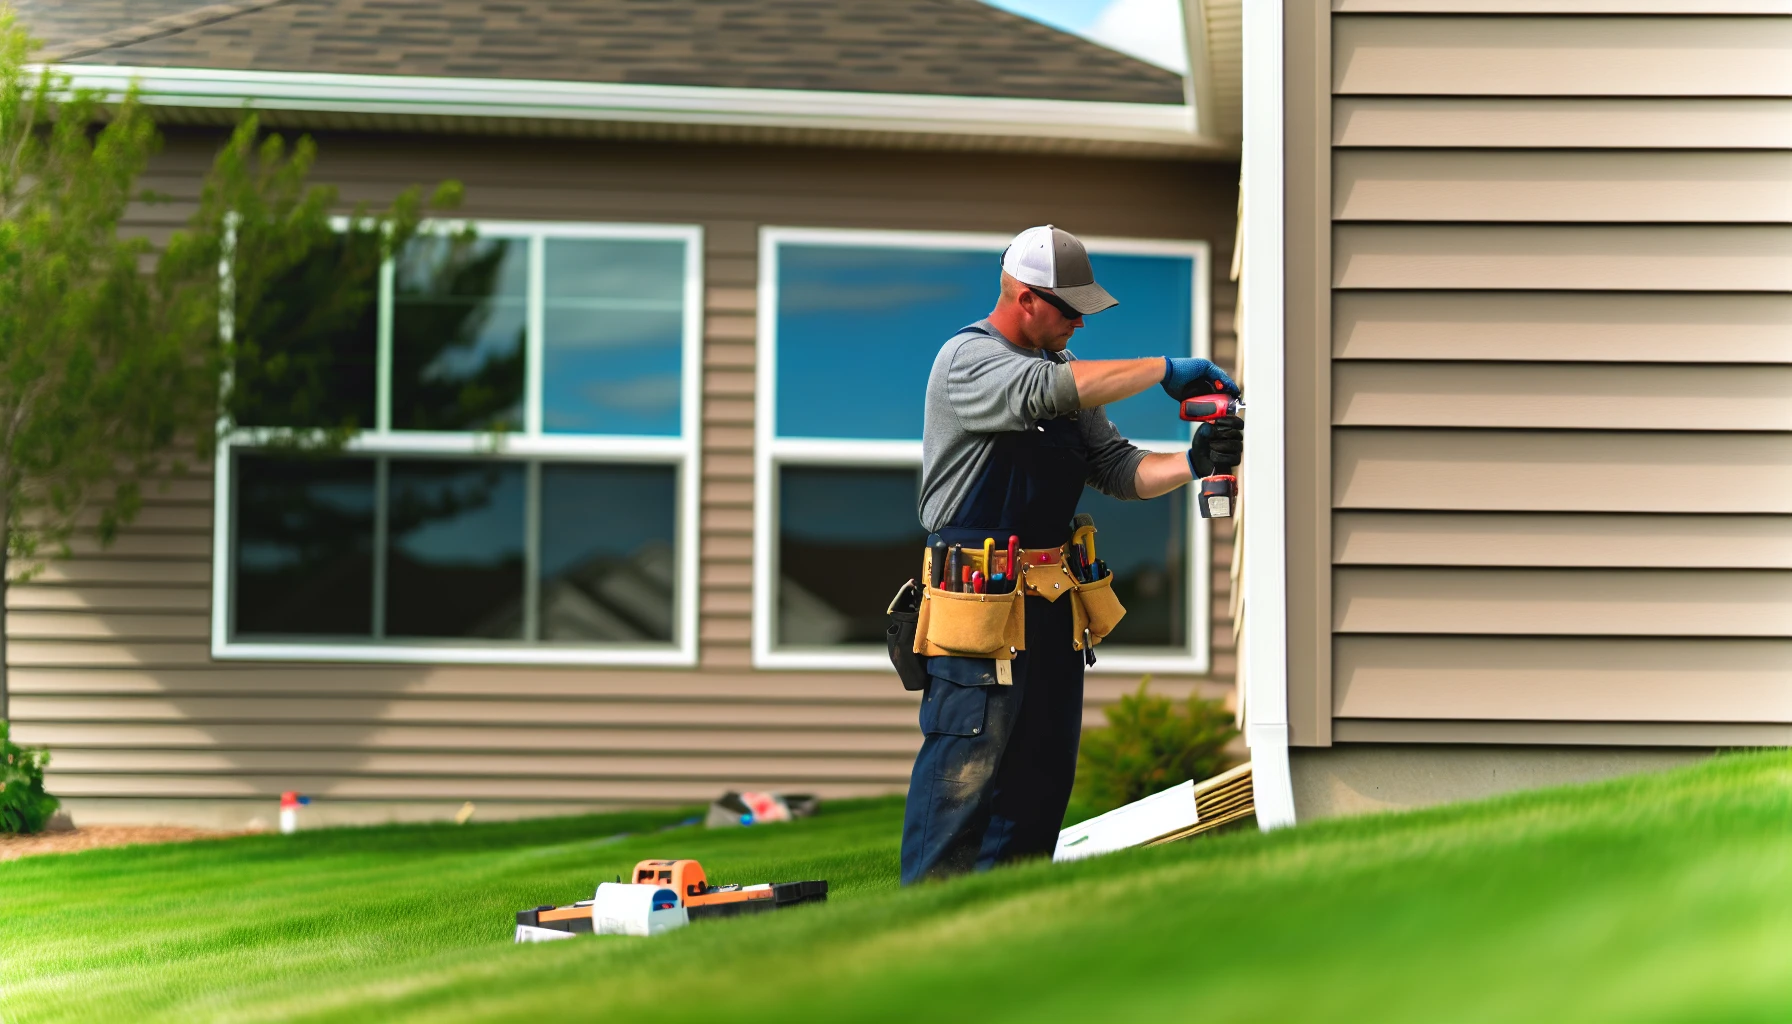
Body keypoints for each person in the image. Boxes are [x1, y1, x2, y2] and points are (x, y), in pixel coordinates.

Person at [901, 224, 1243, 885]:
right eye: (1070, 310)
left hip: (1054, 609)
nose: (1080, 326)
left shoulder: (1062, 374)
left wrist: (1194, 462)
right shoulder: (967, 361)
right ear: (1025, 298)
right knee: (963, 778)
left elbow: (1117, 468)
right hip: (978, 611)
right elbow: (1044, 393)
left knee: (1041, 777)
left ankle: (1012, 919)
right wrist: (1165, 371)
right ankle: (924, 927)